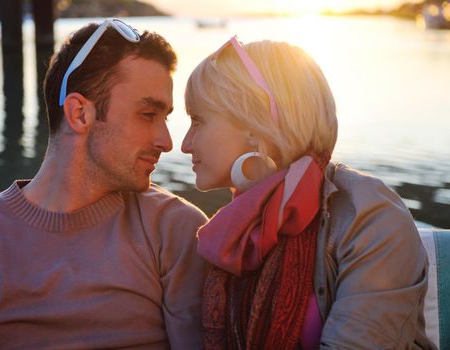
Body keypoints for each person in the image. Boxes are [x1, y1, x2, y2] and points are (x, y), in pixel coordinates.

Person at [0, 19, 207, 349]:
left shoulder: (178, 230)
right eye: (148, 114)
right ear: (79, 114)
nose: (166, 141)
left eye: (166, 118)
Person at [181, 36, 435, 349]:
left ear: (252, 124)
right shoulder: (238, 227)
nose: (185, 144)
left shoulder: (369, 216)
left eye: (197, 120)